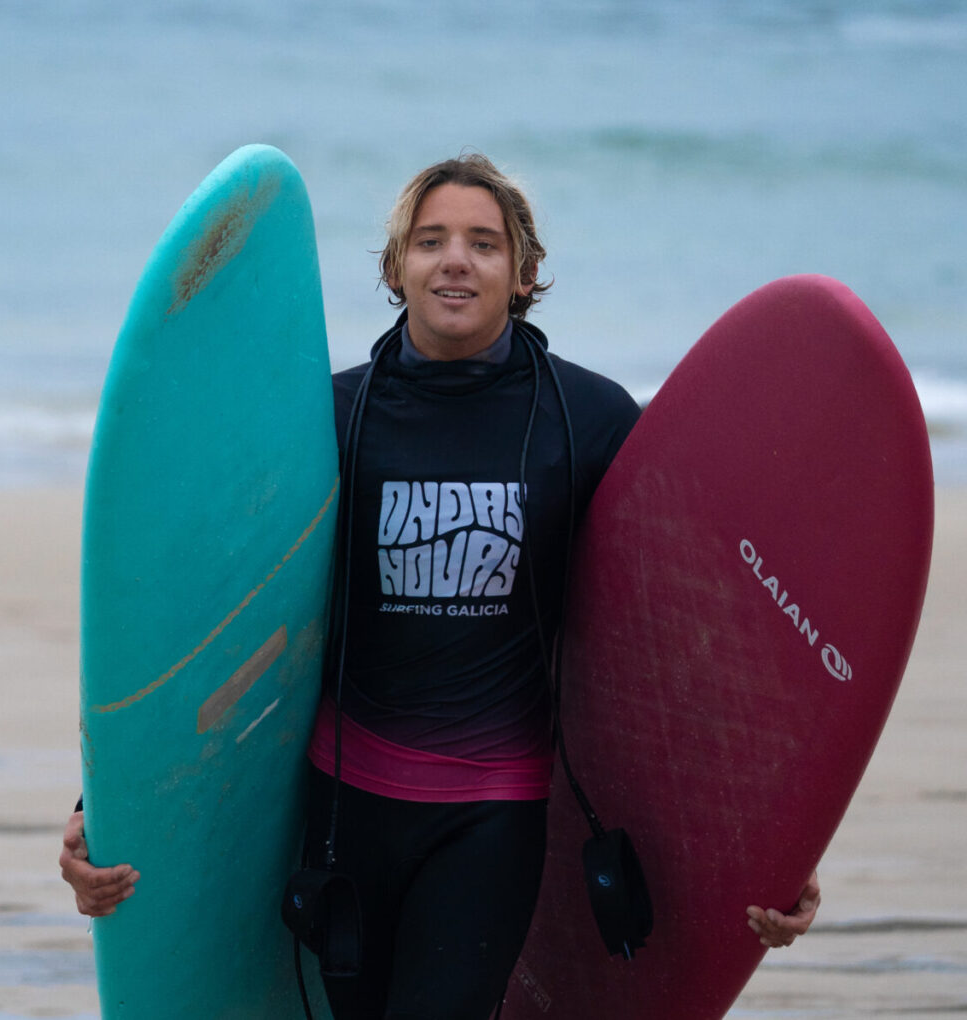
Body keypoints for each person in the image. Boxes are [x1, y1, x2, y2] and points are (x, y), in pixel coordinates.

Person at [60, 153, 821, 1018]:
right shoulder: (328, 421)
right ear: (394, 269)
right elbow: (224, 614)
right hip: (344, 812)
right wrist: (110, 798)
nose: (456, 259)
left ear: (526, 272)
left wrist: (777, 832)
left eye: (484, 243)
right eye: (430, 240)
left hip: (491, 818)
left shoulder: (592, 421)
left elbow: (684, 628)